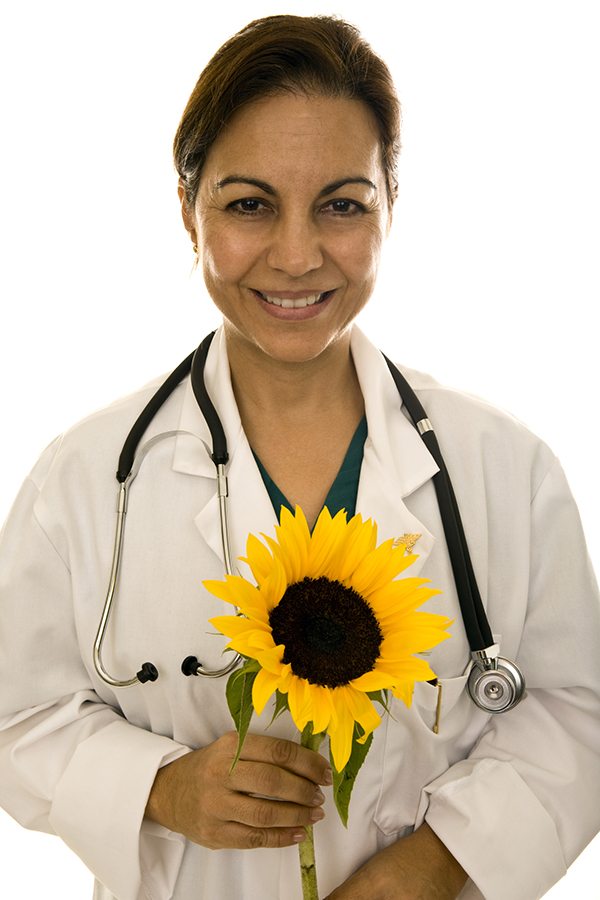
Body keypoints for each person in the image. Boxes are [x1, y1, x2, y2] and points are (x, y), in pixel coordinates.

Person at [0, 13, 598, 900]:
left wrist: (436, 867)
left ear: (391, 203)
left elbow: (574, 712)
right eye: (249, 204)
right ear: (186, 208)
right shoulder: (87, 481)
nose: (295, 254)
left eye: (342, 204)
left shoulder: (503, 467)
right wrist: (159, 788)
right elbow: (19, 717)